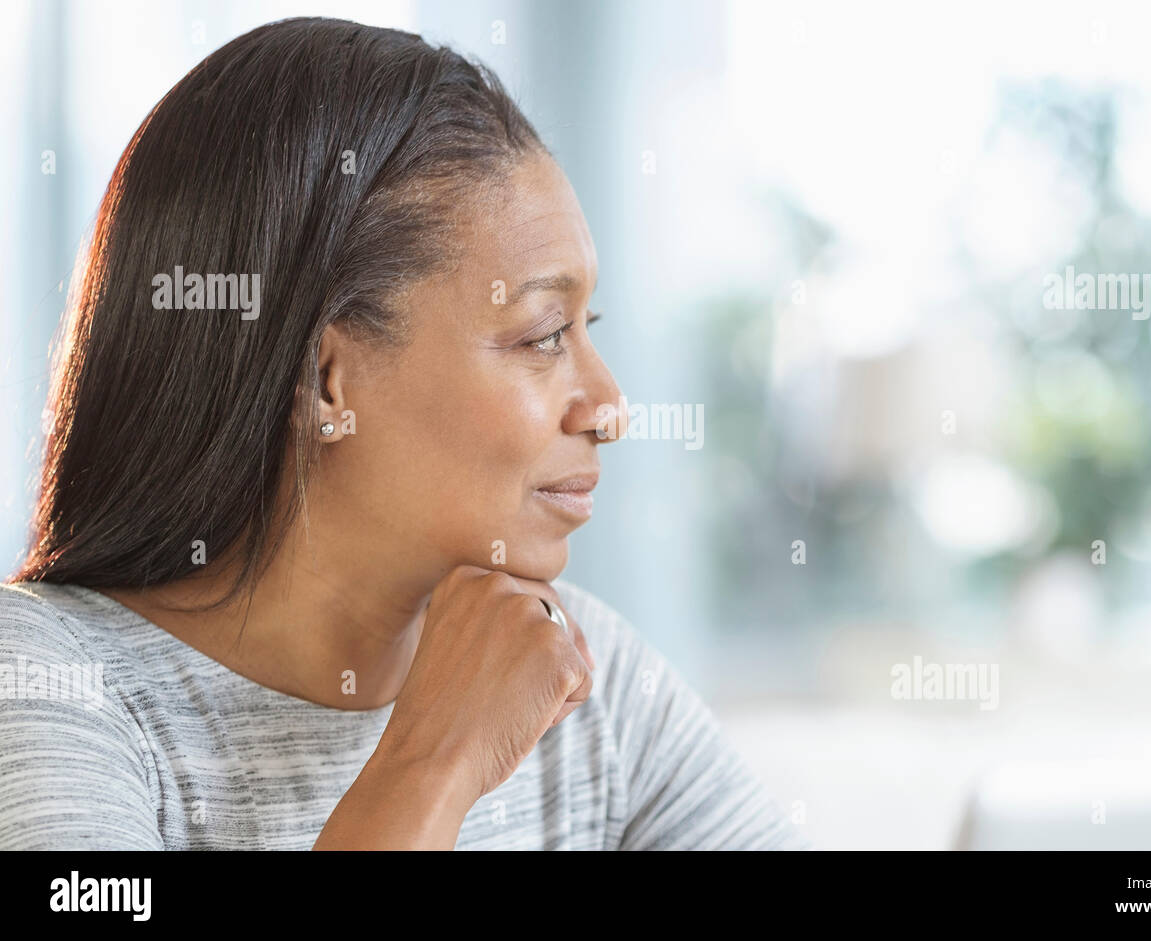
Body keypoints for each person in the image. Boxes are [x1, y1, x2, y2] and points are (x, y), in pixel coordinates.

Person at [0, 17, 808, 851]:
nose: (609, 407)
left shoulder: (584, 679)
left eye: (586, 324)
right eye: (542, 335)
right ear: (325, 382)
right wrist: (435, 763)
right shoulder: (49, 685)